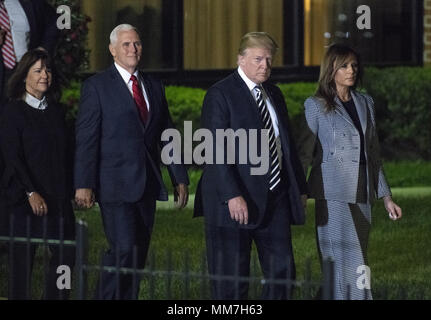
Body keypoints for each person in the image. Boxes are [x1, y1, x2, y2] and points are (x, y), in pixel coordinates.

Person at [74, 24, 189, 300]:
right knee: (123, 249)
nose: (133, 49)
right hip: (113, 185)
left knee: (136, 255)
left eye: (136, 44)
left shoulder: (154, 85)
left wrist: (179, 177)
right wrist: (83, 184)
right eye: (126, 44)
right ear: (112, 50)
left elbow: (166, 134)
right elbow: (87, 139)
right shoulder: (96, 87)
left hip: (146, 185)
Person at [194, 32, 308, 300]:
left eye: (269, 60)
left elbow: (286, 145)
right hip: (233, 201)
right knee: (231, 282)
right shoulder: (220, 94)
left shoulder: (274, 94)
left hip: (275, 197)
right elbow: (215, 150)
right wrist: (232, 195)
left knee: (283, 274)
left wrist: (299, 188)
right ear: (241, 59)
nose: (264, 66)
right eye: (258, 59)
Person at [300, 44, 402, 300]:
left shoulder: (365, 102)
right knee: (345, 259)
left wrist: (386, 197)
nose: (351, 71)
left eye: (354, 65)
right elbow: (304, 154)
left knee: (356, 258)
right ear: (331, 69)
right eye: (344, 65)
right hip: (332, 194)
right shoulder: (315, 106)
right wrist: (300, 193)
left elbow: (373, 154)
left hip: (363, 193)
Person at [0, 48, 75, 300]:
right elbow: (13, 158)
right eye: (38, 70)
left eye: (48, 70)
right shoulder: (12, 112)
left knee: (67, 256)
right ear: (24, 76)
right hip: (23, 202)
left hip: (58, 200)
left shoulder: (56, 112)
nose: (45, 75)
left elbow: (67, 155)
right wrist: (31, 192)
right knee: (22, 268)